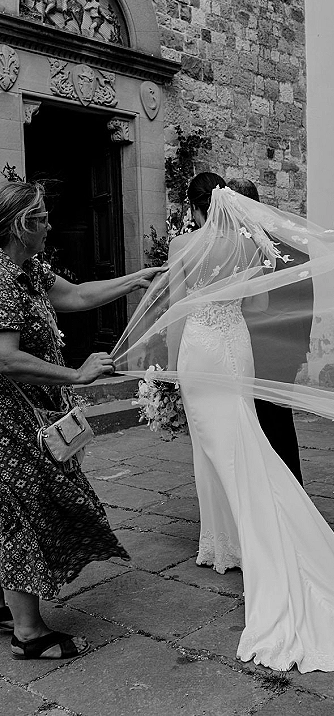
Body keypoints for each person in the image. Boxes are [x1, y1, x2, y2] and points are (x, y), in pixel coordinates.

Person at [162, 172, 334, 672]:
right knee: (243, 444)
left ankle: (243, 547)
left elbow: (177, 308)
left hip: (199, 353)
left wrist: (167, 369)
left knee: (219, 448)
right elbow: (259, 303)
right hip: (234, 347)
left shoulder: (184, 243)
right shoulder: (250, 245)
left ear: (194, 206)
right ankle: (234, 542)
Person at [0, 180, 166, 660]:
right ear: (20, 225)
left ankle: (6, 606)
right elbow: (5, 358)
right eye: (44, 218)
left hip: (30, 413)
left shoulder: (27, 269)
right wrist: (76, 373)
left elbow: (73, 296)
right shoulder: (3, 278)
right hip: (8, 417)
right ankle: (27, 634)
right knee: (21, 510)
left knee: (24, 505)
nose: (51, 225)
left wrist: (133, 279)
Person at [227, 177, 312, 485]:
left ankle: (282, 490)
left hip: (257, 346)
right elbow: (308, 297)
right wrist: (302, 345)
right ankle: (286, 488)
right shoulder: (291, 242)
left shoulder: (241, 244)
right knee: (275, 420)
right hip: (285, 347)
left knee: (267, 422)